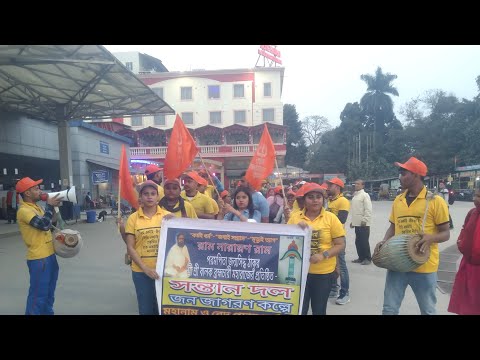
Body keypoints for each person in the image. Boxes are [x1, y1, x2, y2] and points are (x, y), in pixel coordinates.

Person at [377, 156, 450, 315]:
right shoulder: (398, 200)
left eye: (404, 173)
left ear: (416, 175)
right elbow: (393, 227)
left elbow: (446, 233)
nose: (400, 177)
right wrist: (384, 242)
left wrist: (431, 238)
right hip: (397, 263)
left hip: (424, 266)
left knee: (428, 311)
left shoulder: (435, 201)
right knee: (389, 309)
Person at [287, 183, 346, 315]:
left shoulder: (331, 218)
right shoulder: (295, 217)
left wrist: (323, 255)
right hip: (299, 273)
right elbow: (285, 241)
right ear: (304, 200)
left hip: (323, 273)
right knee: (299, 309)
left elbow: (340, 244)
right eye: (311, 197)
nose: (315, 200)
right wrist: (295, 229)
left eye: (318, 197)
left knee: (319, 310)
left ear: (323, 200)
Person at [124, 180, 173, 315]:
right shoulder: (133, 219)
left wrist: (176, 221)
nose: (149, 197)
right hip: (140, 272)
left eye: (153, 194)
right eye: (146, 194)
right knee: (145, 309)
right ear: (140, 197)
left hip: (164, 271)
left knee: (161, 308)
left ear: (158, 197)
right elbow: (130, 247)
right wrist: (145, 269)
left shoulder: (167, 217)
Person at [15, 177, 62, 315]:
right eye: (36, 189)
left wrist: (52, 208)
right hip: (39, 259)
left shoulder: (37, 207)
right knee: (38, 296)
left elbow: (50, 224)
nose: (40, 190)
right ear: (27, 193)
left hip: (49, 256)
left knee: (49, 294)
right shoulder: (24, 211)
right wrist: (49, 205)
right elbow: (43, 225)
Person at [448, 185, 480, 315]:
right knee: (467, 304)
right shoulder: (472, 213)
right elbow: (464, 228)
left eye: (479, 196)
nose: (475, 199)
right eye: (475, 196)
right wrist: (461, 241)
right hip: (468, 264)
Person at [326, 177, 351, 305]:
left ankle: (345, 292)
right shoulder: (330, 201)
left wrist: (326, 217)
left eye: (331, 185)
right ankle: (333, 288)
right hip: (328, 238)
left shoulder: (343, 201)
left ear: (337, 187)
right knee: (331, 265)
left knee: (341, 266)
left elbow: (342, 219)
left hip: (338, 238)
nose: (328, 187)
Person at [350, 179, 373, 265]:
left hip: (363, 223)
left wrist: (365, 219)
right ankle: (361, 257)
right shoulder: (355, 196)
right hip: (357, 223)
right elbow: (356, 210)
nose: (356, 185)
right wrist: (353, 222)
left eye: (358, 184)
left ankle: (367, 258)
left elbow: (368, 209)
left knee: (364, 241)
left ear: (363, 186)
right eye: (355, 183)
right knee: (358, 242)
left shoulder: (365, 195)